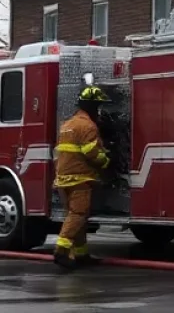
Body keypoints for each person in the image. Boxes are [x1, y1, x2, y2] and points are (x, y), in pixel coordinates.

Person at [53, 82, 112, 270]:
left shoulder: (67, 124)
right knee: (78, 215)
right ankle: (61, 251)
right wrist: (107, 162)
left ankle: (81, 254)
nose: (99, 111)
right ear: (92, 106)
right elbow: (91, 152)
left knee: (76, 216)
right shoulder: (88, 126)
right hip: (80, 178)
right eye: (98, 107)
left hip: (63, 178)